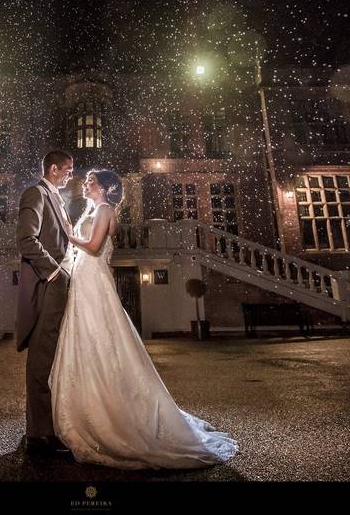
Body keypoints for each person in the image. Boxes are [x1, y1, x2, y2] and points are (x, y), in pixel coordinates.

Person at [50, 169, 239, 469]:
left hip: (93, 282)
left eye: (90, 182)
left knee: (100, 336)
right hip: (87, 279)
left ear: (104, 189)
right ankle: (89, 404)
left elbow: (95, 246)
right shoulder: (94, 208)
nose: (85, 184)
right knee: (90, 338)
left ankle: (110, 413)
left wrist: (67, 235)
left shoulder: (104, 209)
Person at [15, 149, 76, 455]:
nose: (71, 175)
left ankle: (48, 425)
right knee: (42, 355)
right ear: (53, 168)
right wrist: (55, 274)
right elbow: (26, 239)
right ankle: (38, 435)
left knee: (55, 356)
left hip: (63, 284)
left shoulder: (55, 197)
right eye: (68, 169)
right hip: (49, 286)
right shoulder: (35, 193)